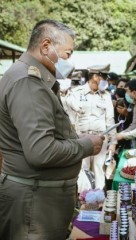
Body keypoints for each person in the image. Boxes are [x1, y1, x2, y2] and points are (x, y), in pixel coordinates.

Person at [0, 19, 104, 240]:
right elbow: (41, 151)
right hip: (34, 204)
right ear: (46, 46)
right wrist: (86, 145)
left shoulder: (32, 79)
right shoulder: (28, 82)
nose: (69, 61)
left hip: (39, 199)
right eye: (67, 54)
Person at [65, 64, 117, 191]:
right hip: (82, 138)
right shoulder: (76, 93)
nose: (106, 80)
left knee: (99, 170)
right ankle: (84, 201)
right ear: (95, 76)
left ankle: (99, 202)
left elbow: (110, 120)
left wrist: (113, 143)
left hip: (101, 138)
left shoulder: (106, 95)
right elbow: (70, 118)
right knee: (82, 170)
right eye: (104, 77)